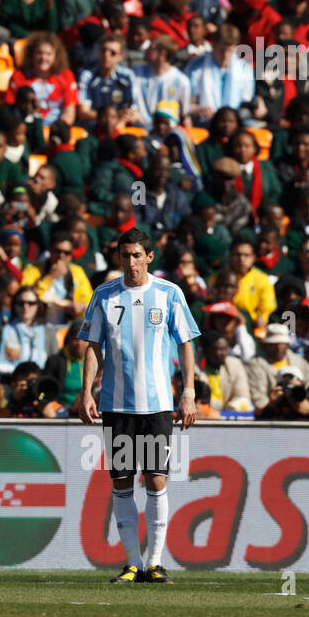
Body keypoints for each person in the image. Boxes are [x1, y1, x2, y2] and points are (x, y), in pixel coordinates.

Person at [76, 227, 200, 585]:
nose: (130, 263)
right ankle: (133, 562)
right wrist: (87, 392)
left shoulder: (169, 294)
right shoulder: (104, 295)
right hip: (116, 406)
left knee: (157, 479)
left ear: (149, 257)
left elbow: (186, 344)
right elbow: (93, 346)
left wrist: (188, 391)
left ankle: (156, 561)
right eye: (124, 256)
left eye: (136, 255)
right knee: (122, 482)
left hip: (158, 405)